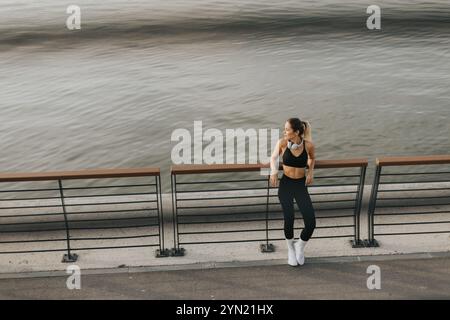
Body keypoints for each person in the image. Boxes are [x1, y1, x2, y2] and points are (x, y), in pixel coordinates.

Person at [269, 118, 316, 266]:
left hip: (301, 186)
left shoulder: (308, 145)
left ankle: (299, 246)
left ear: (296, 132)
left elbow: (312, 158)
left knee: (311, 222)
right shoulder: (282, 143)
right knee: (289, 218)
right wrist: (274, 171)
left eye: (287, 129)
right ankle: (290, 249)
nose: (284, 132)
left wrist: (310, 172)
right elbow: (273, 157)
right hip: (286, 185)